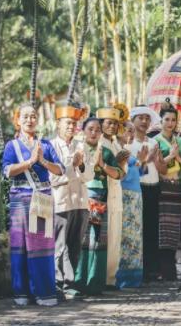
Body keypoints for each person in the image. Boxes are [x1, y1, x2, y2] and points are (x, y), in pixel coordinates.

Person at [1, 103, 64, 306]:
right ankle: (22, 293)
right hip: (20, 199)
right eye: (26, 116)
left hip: (42, 198)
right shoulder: (12, 146)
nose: (30, 120)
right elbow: (7, 171)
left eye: (33, 116)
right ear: (18, 120)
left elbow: (60, 170)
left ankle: (44, 292)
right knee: (20, 247)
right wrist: (29, 162)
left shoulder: (45, 145)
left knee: (42, 247)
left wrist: (43, 161)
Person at [75, 114, 124, 295]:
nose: (94, 133)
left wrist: (103, 165)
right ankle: (77, 282)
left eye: (97, 129)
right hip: (79, 199)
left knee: (96, 239)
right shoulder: (76, 149)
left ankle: (95, 283)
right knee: (80, 239)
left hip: (99, 200)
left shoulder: (106, 151)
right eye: (90, 129)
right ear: (83, 131)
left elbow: (120, 174)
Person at [50, 104, 94, 298]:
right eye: (67, 122)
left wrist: (82, 164)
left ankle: (70, 283)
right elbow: (53, 178)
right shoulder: (50, 146)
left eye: (74, 123)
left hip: (81, 203)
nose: (71, 126)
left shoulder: (80, 146)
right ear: (58, 124)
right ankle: (58, 284)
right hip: (60, 202)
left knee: (75, 245)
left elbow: (89, 176)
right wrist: (72, 166)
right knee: (59, 247)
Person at [154, 99, 181, 281]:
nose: (170, 123)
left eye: (173, 120)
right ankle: (163, 269)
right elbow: (156, 166)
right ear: (160, 122)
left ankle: (171, 271)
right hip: (161, 190)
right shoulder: (154, 142)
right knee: (161, 230)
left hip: (177, 191)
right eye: (167, 120)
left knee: (174, 231)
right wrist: (171, 156)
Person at [128, 105, 166, 281]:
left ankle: (152, 268)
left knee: (152, 229)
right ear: (133, 121)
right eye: (140, 118)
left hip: (154, 187)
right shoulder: (129, 145)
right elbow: (137, 172)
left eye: (147, 118)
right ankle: (139, 268)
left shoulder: (153, 143)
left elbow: (162, 169)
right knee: (139, 229)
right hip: (138, 188)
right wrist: (145, 161)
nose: (144, 122)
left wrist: (157, 159)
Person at [115, 121, 149, 288]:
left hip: (136, 195)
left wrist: (142, 161)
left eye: (133, 131)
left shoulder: (129, 152)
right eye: (128, 130)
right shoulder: (118, 151)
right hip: (124, 195)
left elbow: (141, 172)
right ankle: (122, 276)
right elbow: (120, 173)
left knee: (134, 236)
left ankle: (133, 275)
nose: (131, 134)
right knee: (124, 236)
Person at [98, 104, 128, 287]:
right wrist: (117, 165)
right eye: (108, 123)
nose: (112, 127)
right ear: (101, 124)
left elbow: (122, 170)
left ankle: (111, 277)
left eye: (115, 124)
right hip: (104, 190)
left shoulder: (116, 143)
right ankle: (102, 277)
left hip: (117, 189)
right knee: (105, 235)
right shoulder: (100, 143)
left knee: (116, 235)